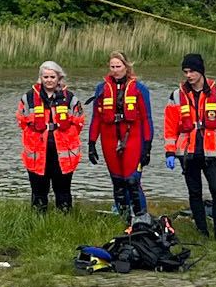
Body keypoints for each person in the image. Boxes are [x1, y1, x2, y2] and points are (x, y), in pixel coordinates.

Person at [163, 53, 216, 242]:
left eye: (192, 71)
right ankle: (202, 233)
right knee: (195, 193)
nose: (188, 75)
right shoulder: (176, 96)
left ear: (201, 71)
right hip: (187, 153)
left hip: (212, 152)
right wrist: (170, 152)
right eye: (185, 72)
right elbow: (170, 127)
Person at [86, 51, 154, 220]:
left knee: (132, 181)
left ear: (126, 66)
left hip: (133, 138)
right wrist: (91, 143)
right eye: (112, 67)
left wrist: (147, 146)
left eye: (119, 66)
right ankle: (124, 220)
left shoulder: (139, 89)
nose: (115, 70)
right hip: (109, 139)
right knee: (118, 182)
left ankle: (141, 219)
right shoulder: (101, 89)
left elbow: (147, 119)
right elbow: (96, 118)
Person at [17, 60, 83, 212]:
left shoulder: (70, 99)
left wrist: (63, 135)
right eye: (45, 77)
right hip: (37, 152)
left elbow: (79, 121)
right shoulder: (28, 98)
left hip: (63, 153)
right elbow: (21, 121)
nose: (49, 80)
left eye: (52, 77)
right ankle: (39, 219)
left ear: (59, 78)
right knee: (39, 189)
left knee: (63, 189)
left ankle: (65, 217)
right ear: (40, 78)